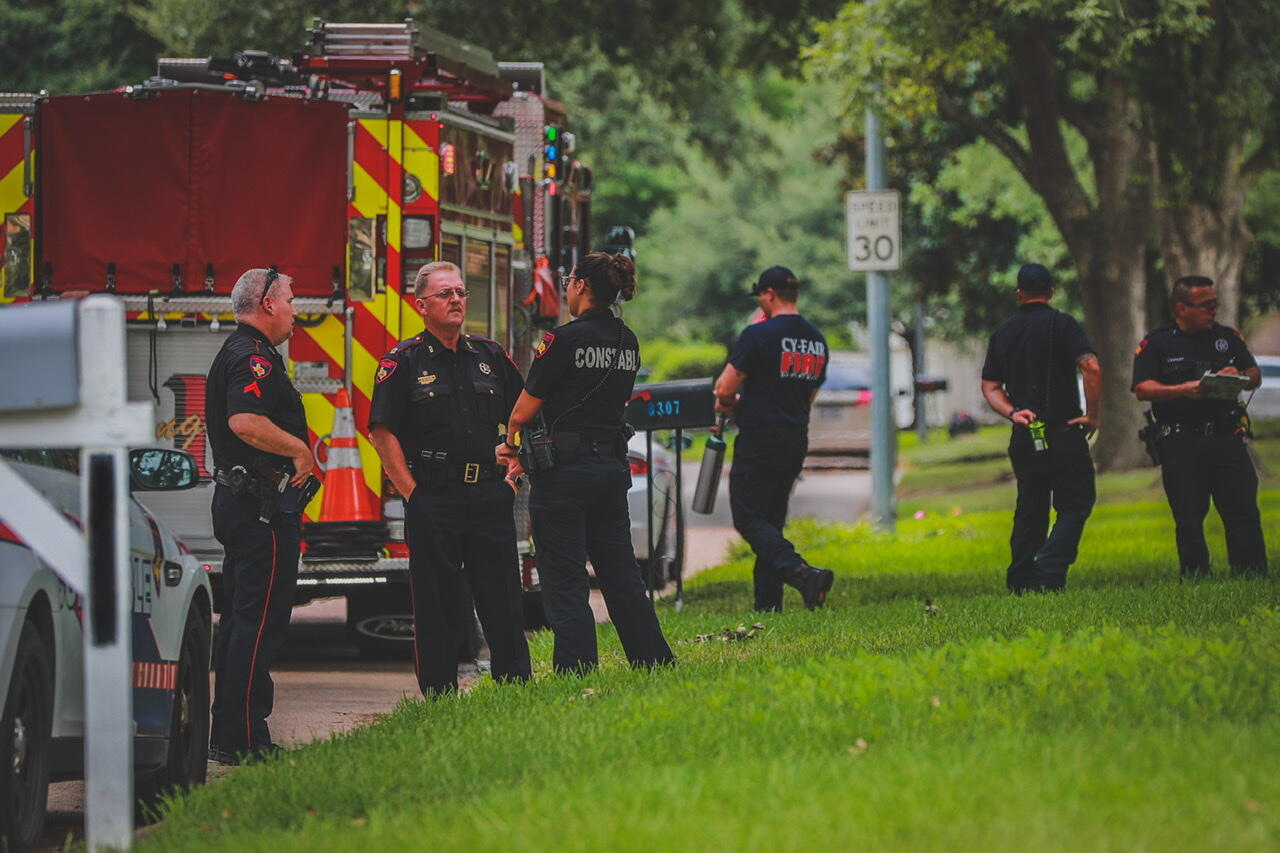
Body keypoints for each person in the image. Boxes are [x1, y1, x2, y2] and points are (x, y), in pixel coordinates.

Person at [499, 252, 674, 674]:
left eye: (569, 282)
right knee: (622, 576)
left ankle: (576, 670)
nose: (566, 290)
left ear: (581, 286)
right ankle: (653, 661)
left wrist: (510, 445)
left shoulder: (562, 340)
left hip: (563, 476)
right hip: (611, 470)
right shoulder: (627, 340)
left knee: (565, 579)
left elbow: (523, 411)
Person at [368, 261, 531, 696]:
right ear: (421, 305)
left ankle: (515, 690)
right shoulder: (403, 362)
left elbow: (525, 414)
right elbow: (381, 432)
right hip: (433, 498)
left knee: (503, 600)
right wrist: (413, 494)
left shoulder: (490, 356)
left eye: (460, 292)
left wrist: (513, 474)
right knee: (436, 605)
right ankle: (440, 696)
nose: (456, 300)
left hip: (489, 495)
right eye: (445, 294)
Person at [206, 266, 313, 763]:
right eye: (290, 299)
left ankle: (229, 734)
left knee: (240, 621)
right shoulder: (252, 357)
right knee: (258, 624)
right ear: (268, 303)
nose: (295, 309)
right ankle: (244, 740)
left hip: (246, 505)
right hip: (259, 511)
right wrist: (300, 452)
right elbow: (245, 421)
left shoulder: (250, 352)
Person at [714, 265, 835, 612]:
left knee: (747, 518)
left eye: (761, 297)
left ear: (769, 294)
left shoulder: (758, 334)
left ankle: (802, 573)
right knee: (771, 522)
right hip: (795, 438)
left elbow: (725, 387)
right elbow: (809, 395)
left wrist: (727, 406)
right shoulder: (816, 340)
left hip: (759, 438)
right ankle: (768, 605)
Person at [1132, 275, 1267, 577]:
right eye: (1206, 305)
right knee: (1188, 515)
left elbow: (1254, 375)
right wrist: (1184, 390)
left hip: (1226, 436)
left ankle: (1250, 572)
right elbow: (1142, 388)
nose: (1213, 310)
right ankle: (1196, 574)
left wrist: (1238, 374)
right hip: (1181, 441)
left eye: (1214, 304)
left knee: (1242, 509)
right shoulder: (1157, 343)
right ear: (1182, 308)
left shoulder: (1226, 337)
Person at [980, 263, 1101, 593]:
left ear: (1019, 294)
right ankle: (1048, 570)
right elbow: (1090, 366)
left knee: (1030, 507)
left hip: (1026, 435)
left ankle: (1020, 578)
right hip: (1064, 432)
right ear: (1051, 292)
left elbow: (990, 386)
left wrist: (1013, 412)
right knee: (1075, 504)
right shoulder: (1063, 324)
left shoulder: (1004, 332)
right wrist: (1092, 415)